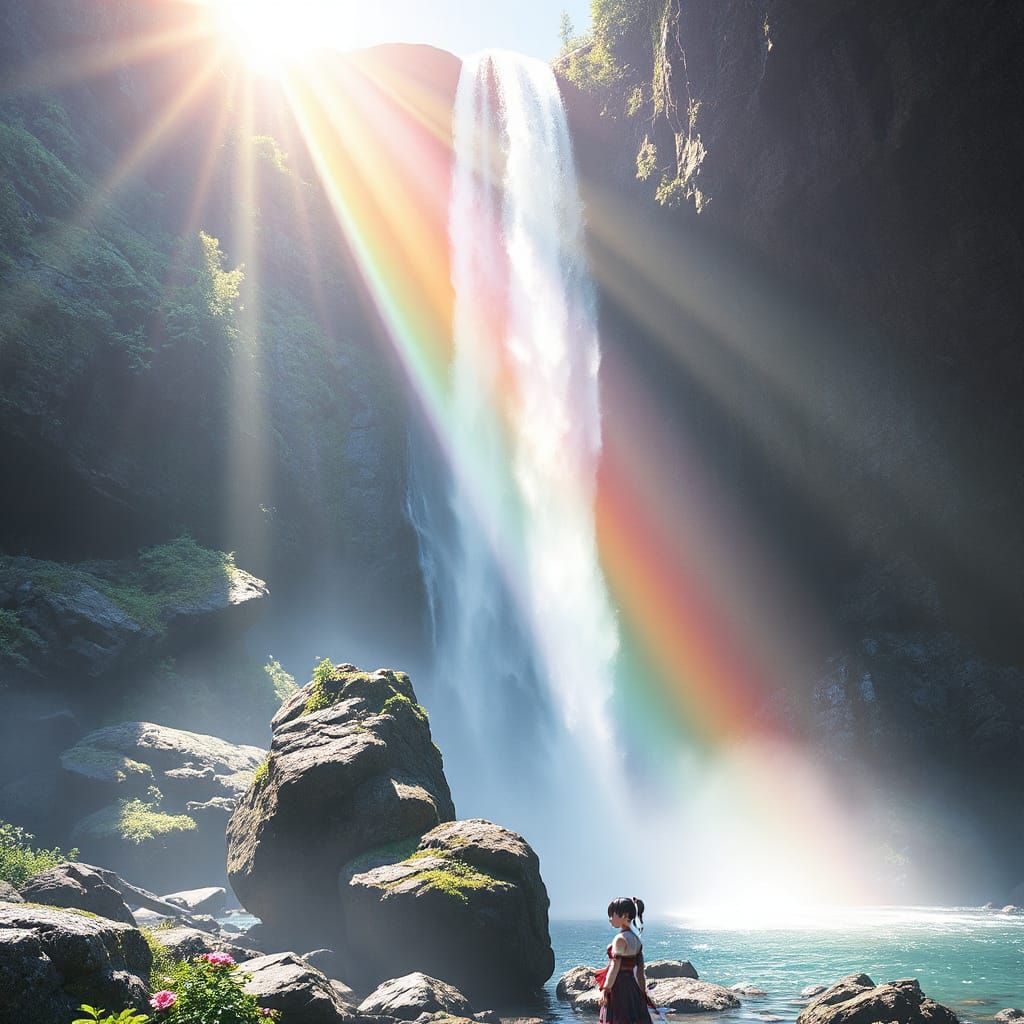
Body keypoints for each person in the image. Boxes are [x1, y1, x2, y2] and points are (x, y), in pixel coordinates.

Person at [596, 896, 654, 1024]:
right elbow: (640, 972)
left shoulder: (620, 939)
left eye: (612, 915)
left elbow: (614, 967)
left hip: (618, 987)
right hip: (632, 987)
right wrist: (642, 993)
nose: (610, 919)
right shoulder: (636, 940)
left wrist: (605, 990)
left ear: (624, 915)